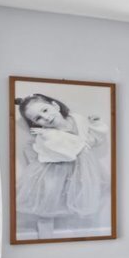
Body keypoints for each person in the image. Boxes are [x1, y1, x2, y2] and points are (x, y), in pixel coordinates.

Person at [14, 93, 110, 237]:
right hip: (56, 169)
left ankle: (77, 235)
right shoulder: (46, 134)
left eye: (45, 110)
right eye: (38, 118)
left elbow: (89, 142)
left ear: (55, 105)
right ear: (36, 123)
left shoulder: (77, 119)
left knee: (79, 199)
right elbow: (65, 148)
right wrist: (49, 134)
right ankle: (45, 235)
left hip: (82, 168)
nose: (45, 117)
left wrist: (95, 124)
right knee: (48, 202)